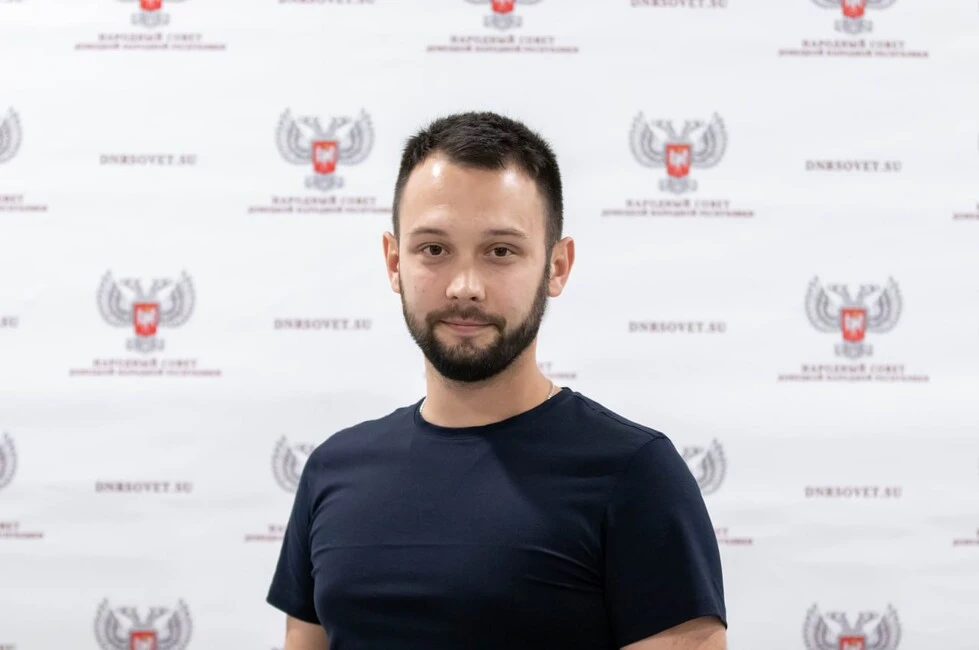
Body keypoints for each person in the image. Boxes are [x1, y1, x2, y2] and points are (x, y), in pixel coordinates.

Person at [267, 111, 727, 650]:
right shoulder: (332, 469)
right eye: (434, 249)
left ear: (557, 266)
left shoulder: (635, 474)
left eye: (501, 252)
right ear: (394, 262)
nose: (465, 287)